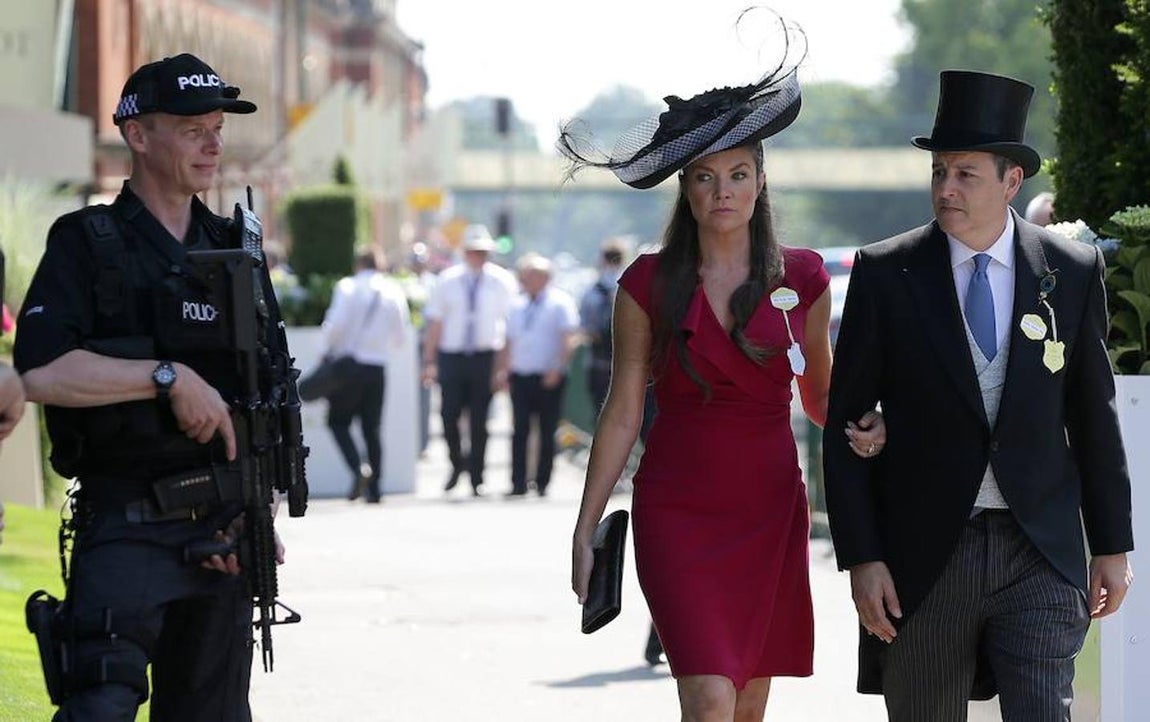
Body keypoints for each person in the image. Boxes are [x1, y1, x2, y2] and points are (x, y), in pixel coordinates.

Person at [560, 27, 885, 720]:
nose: (723, 191)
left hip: (768, 505)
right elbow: (621, 412)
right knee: (709, 698)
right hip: (676, 507)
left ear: (760, 182)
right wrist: (586, 527)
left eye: (738, 174)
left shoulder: (803, 277)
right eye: (705, 178)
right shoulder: (645, 283)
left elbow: (819, 395)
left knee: (747, 704)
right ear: (685, 189)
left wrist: (876, 424)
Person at [823, 70, 1134, 721]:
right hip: (924, 555)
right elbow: (844, 426)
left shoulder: (1071, 270)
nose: (946, 188)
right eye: (939, 171)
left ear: (1011, 181)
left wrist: (1112, 544)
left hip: (1039, 549)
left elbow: (1093, 415)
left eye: (965, 174)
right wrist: (863, 558)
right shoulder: (887, 272)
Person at [13, 53, 277, 720]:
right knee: (98, 709)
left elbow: (266, 399)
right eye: (192, 131)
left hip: (221, 538)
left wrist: (258, 514)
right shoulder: (87, 242)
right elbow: (39, 373)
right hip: (126, 527)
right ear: (137, 135)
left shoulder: (236, 251)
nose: (213, 145)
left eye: (217, 129)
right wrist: (165, 378)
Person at [421, 225, 518, 496]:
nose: (479, 256)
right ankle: (457, 463)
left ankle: (477, 475)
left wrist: (503, 366)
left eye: (483, 252)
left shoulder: (501, 281)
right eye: (474, 251)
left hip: (484, 356)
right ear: (464, 252)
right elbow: (436, 322)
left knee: (479, 419)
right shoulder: (447, 280)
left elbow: (509, 326)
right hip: (452, 356)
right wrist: (429, 360)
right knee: (448, 414)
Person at [320, 247, 410, 503]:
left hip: (349, 366)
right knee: (372, 428)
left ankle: (358, 468)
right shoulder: (392, 289)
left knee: (338, 422)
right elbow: (400, 335)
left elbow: (335, 326)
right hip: (376, 366)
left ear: (358, 264)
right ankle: (375, 489)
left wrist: (327, 349)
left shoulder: (348, 287)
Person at [504, 253, 580, 497]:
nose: (525, 279)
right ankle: (517, 482)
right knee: (520, 430)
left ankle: (542, 481)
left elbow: (569, 338)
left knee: (547, 430)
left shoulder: (560, 303)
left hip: (549, 376)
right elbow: (508, 340)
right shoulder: (516, 304)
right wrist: (503, 370)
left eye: (531, 275)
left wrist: (557, 367)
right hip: (521, 375)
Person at [579, 237, 628, 415]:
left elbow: (584, 324)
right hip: (626, 360)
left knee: (599, 409)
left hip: (598, 359)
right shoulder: (630, 284)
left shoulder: (592, 289)